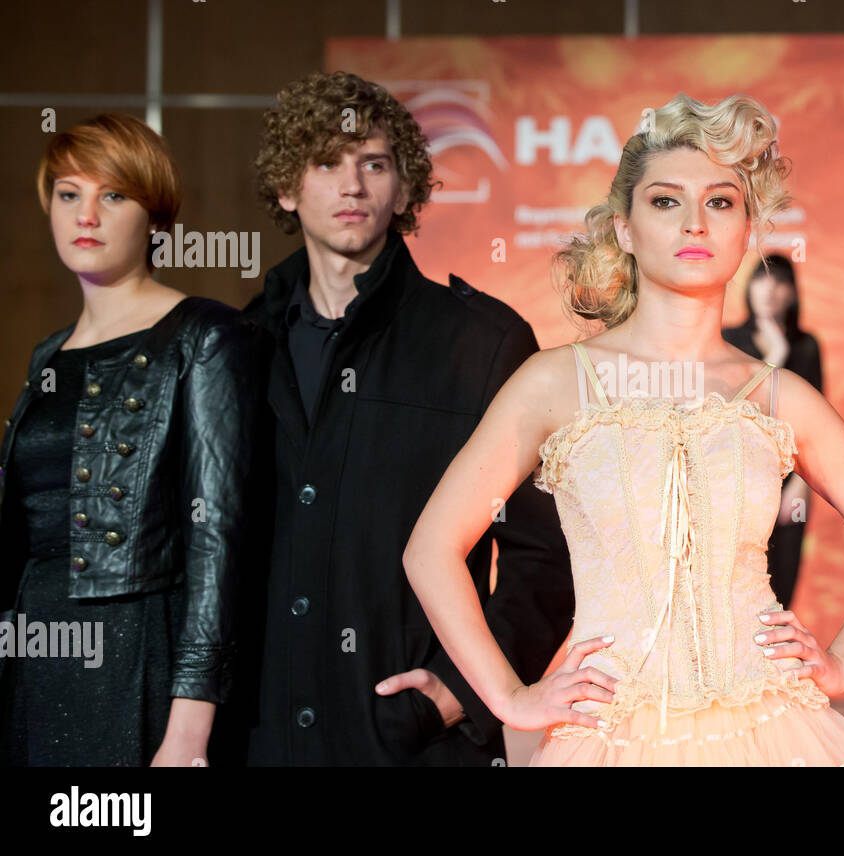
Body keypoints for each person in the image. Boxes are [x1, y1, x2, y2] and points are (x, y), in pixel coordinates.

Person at [404, 94, 844, 766]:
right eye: (664, 201)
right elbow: (431, 550)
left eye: (720, 202)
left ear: (747, 229)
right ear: (624, 227)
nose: (695, 223)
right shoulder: (554, 382)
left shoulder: (777, 395)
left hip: (776, 729)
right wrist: (509, 697)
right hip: (609, 738)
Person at [237, 72, 574, 766]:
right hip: (262, 736)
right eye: (325, 162)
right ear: (286, 188)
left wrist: (457, 694)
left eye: (374, 163)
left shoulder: (481, 344)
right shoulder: (238, 348)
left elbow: (549, 555)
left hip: (417, 746)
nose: (351, 185)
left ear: (404, 188)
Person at [0, 114, 260, 766]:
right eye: (68, 193)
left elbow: (218, 538)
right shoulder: (48, 354)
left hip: (135, 646)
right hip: (35, 648)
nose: (86, 213)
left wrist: (190, 727)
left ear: (154, 214)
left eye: (112, 195)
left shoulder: (205, 336)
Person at [723, 253, 822, 608]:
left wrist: (800, 486)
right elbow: (738, 410)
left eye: (780, 281)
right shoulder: (727, 340)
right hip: (734, 479)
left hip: (788, 483)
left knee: (781, 595)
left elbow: (814, 426)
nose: (769, 290)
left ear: (793, 294)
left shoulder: (807, 346)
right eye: (761, 279)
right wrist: (776, 355)